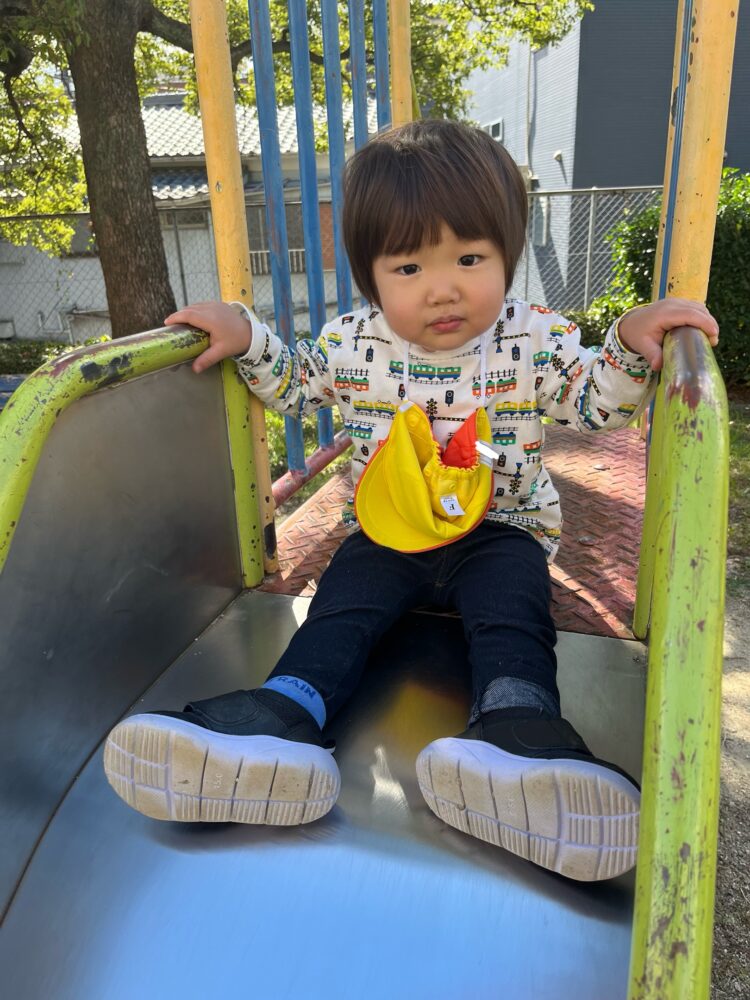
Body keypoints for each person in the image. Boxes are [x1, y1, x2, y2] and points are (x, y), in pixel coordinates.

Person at [103, 119, 718, 881]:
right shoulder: (353, 343)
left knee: (512, 612)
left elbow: (595, 405)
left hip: (501, 527)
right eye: (408, 267)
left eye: (470, 258)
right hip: (388, 531)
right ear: (371, 278)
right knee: (342, 609)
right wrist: (247, 335)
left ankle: (519, 734)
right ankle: (278, 719)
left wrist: (628, 341)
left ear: (507, 254)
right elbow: (295, 384)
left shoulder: (534, 337)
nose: (443, 287)